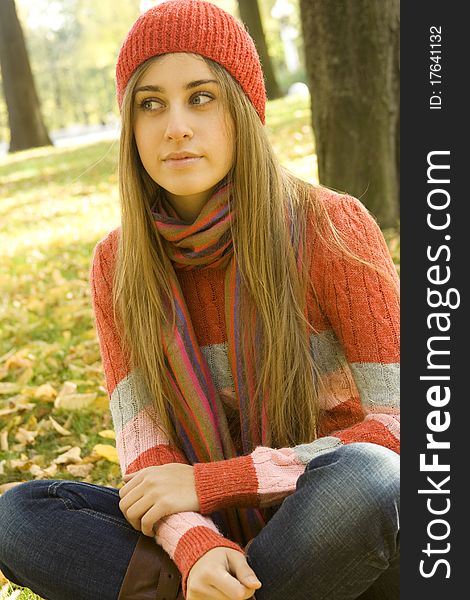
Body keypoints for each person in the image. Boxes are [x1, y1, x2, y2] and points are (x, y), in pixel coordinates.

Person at [0, 1, 400, 599]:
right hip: (212, 536)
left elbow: (406, 426)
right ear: (131, 126)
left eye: (202, 97)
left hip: (327, 521)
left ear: (243, 109)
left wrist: (212, 483)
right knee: (20, 517)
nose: (176, 126)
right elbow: (146, 454)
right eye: (151, 103)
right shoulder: (119, 265)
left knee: (371, 480)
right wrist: (197, 545)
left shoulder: (331, 228)